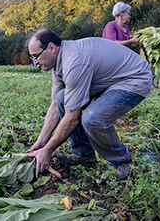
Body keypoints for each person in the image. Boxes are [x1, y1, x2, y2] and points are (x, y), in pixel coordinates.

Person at [26, 28, 152, 181]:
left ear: (51, 48)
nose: (35, 62)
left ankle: (121, 163)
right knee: (61, 98)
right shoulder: (59, 62)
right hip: (111, 80)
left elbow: (72, 117)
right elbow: (54, 106)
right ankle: (83, 154)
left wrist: (47, 150)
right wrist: (41, 142)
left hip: (134, 78)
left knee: (92, 118)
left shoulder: (74, 61)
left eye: (36, 56)